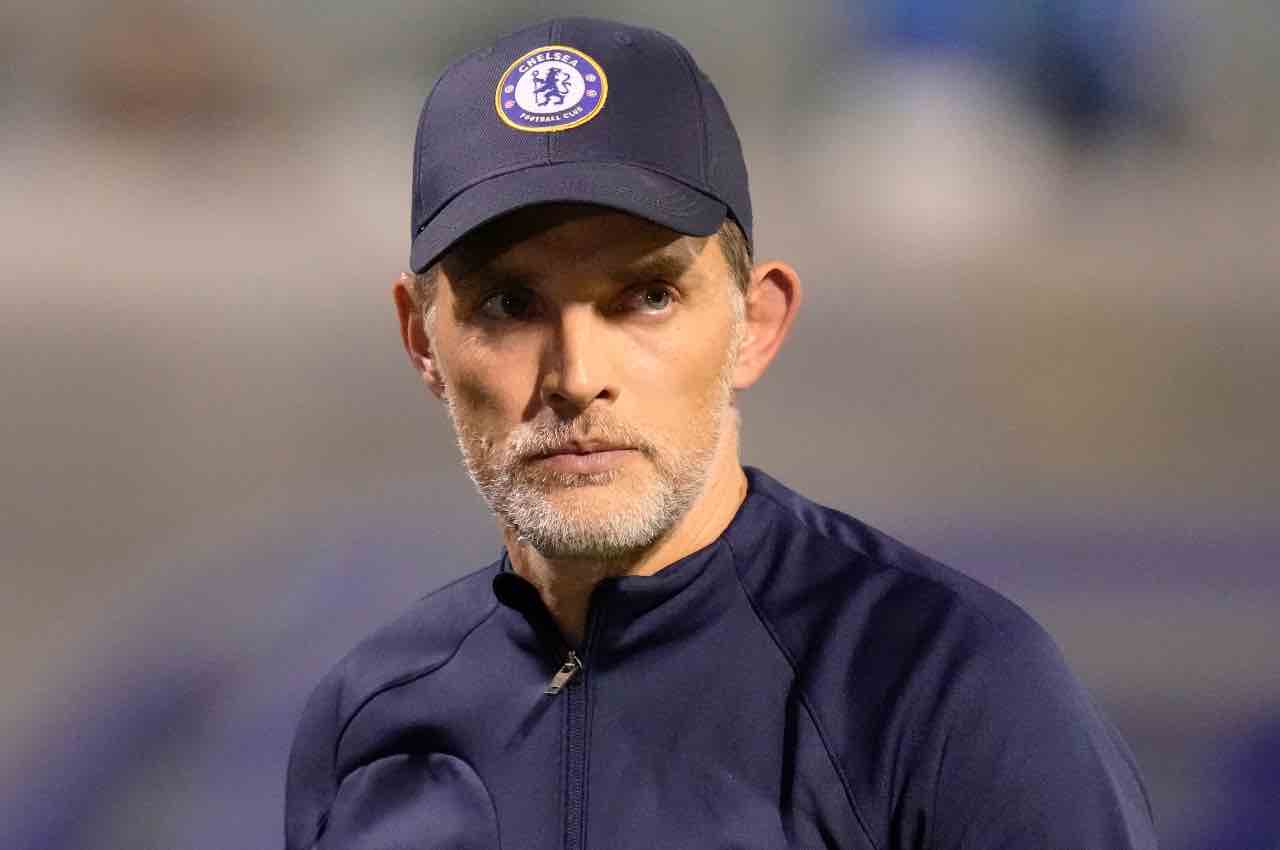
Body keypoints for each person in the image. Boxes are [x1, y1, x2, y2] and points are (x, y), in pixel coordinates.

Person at [285, 17, 1158, 849]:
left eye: (647, 296)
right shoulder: (368, 722)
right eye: (510, 304)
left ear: (756, 324)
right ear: (422, 341)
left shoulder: (943, 690)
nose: (576, 374)